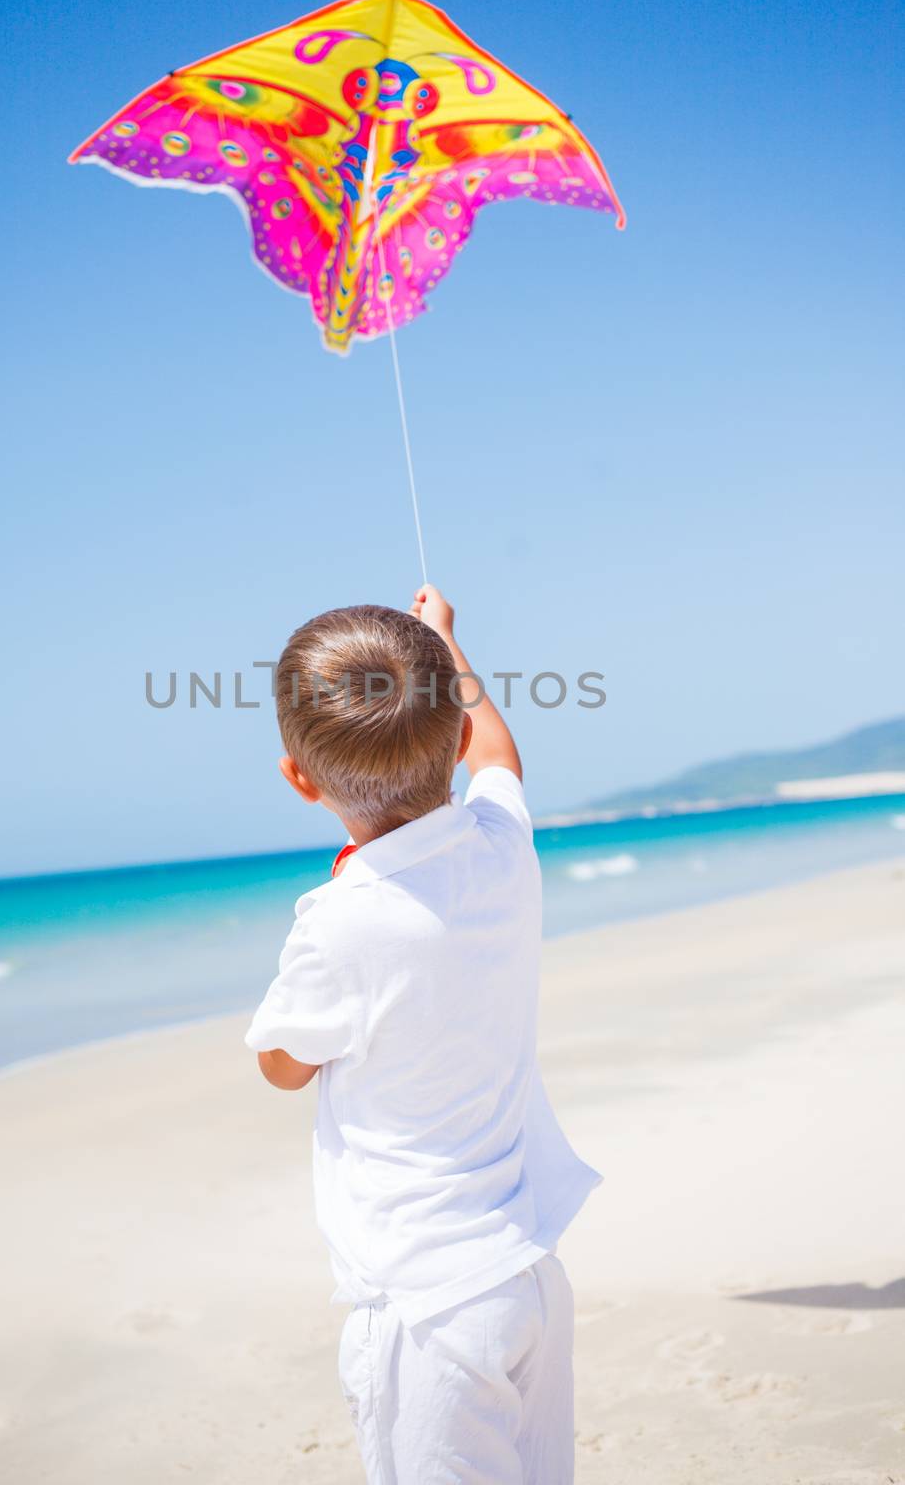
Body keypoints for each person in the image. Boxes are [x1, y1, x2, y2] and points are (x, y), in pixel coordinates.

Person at [245, 585, 601, 1483]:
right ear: (449, 736)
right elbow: (499, 755)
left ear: (299, 777)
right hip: (526, 1272)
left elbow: (282, 1066)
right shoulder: (502, 848)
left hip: (427, 1305)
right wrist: (446, 647)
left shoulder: (338, 920)